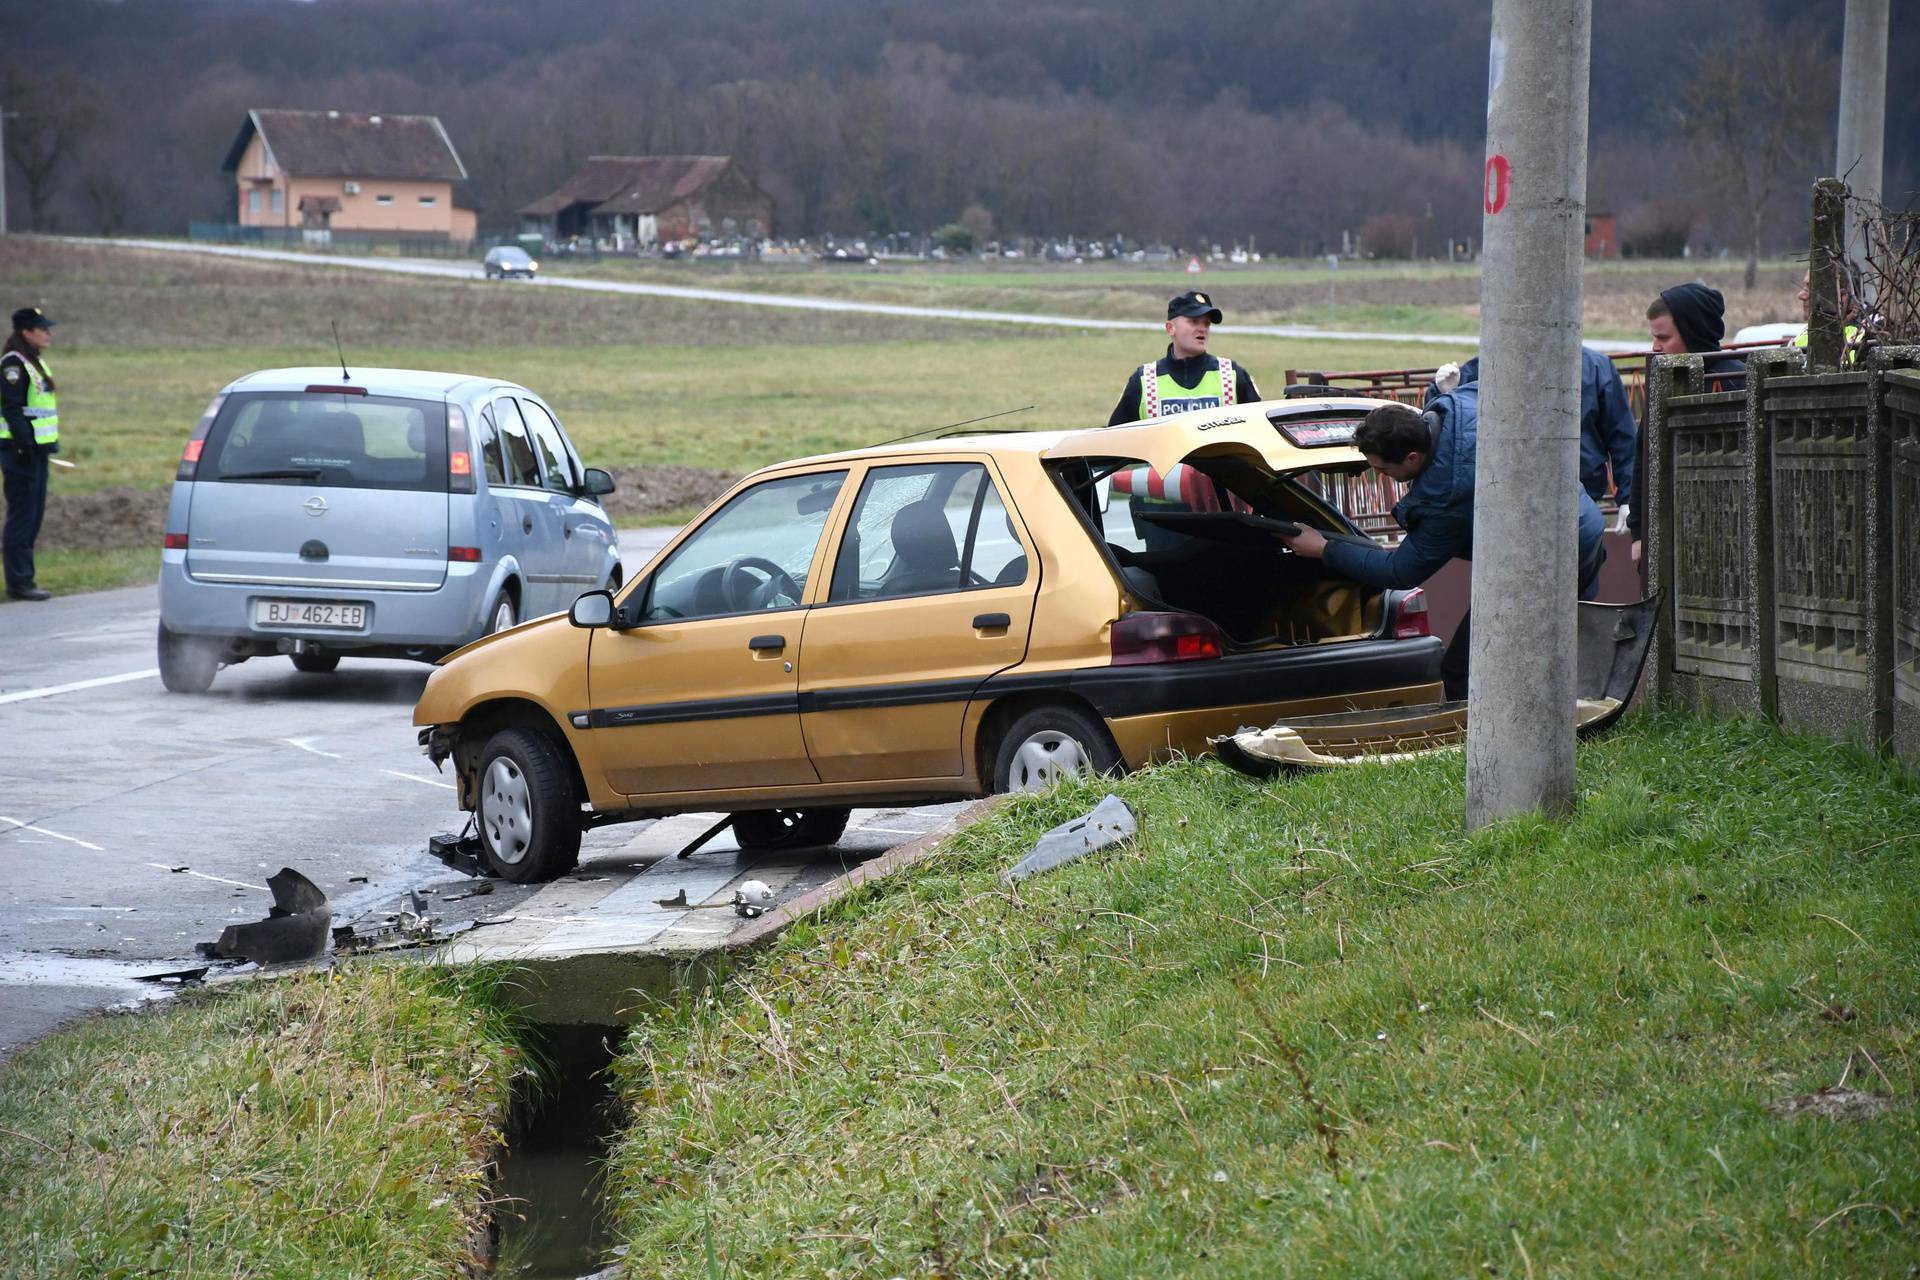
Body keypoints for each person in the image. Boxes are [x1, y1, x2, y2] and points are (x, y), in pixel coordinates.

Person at [1277, 373, 1606, 702]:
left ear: (1413, 458)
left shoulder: (1445, 498)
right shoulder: (1458, 405)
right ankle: (1575, 724)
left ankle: (1491, 749)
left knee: (1467, 668)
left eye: (1383, 470)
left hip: (1550, 557)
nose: (1380, 476)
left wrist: (1323, 548)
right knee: (1560, 651)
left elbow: (1399, 572)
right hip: (1581, 522)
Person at [1107, 291, 1262, 544]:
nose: (1202, 329)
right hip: (1162, 515)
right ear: (1170, 328)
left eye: (1207, 324)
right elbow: (1112, 442)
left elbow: (1260, 437)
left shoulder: (1233, 374)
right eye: (1193, 321)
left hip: (1222, 510)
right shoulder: (1144, 380)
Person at [1636, 282, 1743, 561]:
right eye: (1654, 337)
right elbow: (1642, 459)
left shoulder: (1734, 380)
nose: (1655, 347)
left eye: (1664, 338)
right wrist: (1638, 533)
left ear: (1693, 333)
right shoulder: (1664, 380)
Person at [1, 307, 60, 602]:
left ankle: (25, 577)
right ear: (26, 332)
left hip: (36, 451)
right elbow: (12, 408)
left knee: (33, 516)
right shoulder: (13, 365)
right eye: (42, 328)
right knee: (22, 517)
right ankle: (19, 582)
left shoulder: (34, 362)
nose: (48, 332)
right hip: (20, 452)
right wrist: (24, 444)